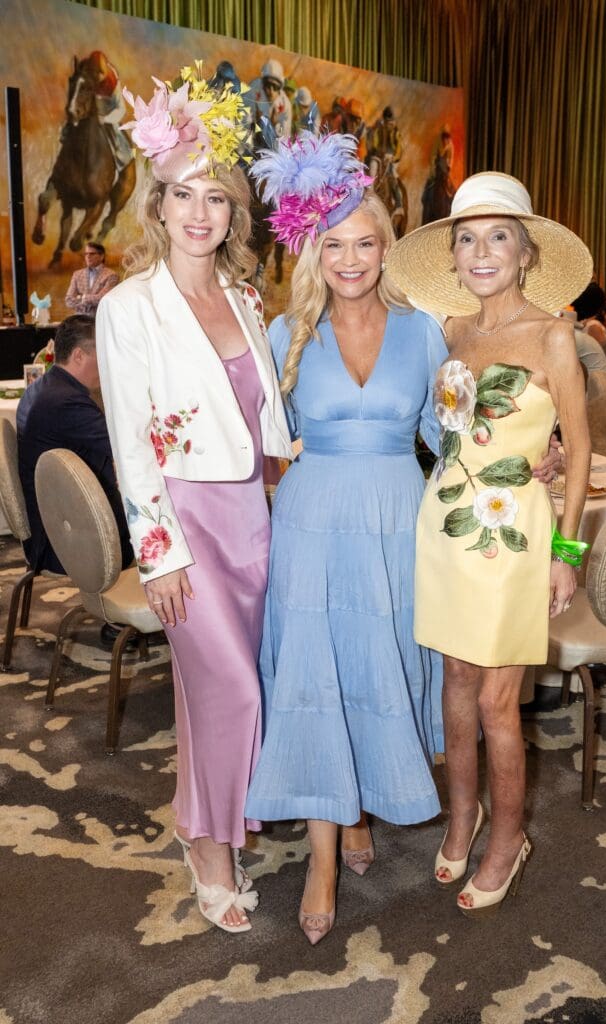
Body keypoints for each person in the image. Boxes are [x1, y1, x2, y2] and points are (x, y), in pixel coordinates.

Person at [245, 139, 560, 943]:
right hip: (311, 527)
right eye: (333, 245)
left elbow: (447, 432)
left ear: (387, 250)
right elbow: (260, 441)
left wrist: (535, 452)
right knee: (317, 675)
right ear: (314, 253)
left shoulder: (424, 332)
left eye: (364, 243)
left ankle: (357, 812)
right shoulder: (283, 332)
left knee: (375, 664)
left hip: (398, 523)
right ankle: (324, 854)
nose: (350, 260)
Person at [96, 66, 292, 935]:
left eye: (215, 197)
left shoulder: (245, 298)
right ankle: (208, 846)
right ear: (158, 205)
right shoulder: (128, 308)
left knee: (225, 689)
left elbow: (264, 419)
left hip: (254, 518)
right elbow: (130, 440)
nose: (199, 212)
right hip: (185, 523)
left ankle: (208, 814)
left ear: (232, 213)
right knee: (231, 692)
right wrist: (159, 554)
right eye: (182, 194)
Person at [387, 172, 592, 916]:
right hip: (444, 528)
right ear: (452, 256)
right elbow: (441, 431)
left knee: (500, 703)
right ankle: (462, 816)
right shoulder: (448, 331)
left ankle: (508, 838)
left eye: (498, 236)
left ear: (525, 253)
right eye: (467, 238)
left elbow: (581, 446)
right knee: (453, 685)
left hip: (511, 535)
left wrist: (566, 555)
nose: (481, 252)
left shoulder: (553, 335)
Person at [17, 314, 132, 577]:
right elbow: (125, 447)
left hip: (52, 524)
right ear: (79, 355)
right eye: (101, 356)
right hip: (70, 537)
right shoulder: (66, 402)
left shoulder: (42, 388)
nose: (106, 364)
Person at [64, 243, 119, 316]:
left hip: (99, 318)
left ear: (102, 256)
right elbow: (68, 300)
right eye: (86, 254)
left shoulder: (111, 275)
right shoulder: (77, 274)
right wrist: (92, 299)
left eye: (92, 254)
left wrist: (81, 297)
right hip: (79, 319)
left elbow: (102, 299)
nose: (88, 256)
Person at [247, 59, 292, 138]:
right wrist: (255, 122)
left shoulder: (285, 105)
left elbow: (285, 138)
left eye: (275, 86)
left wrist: (275, 124)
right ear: (263, 84)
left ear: (280, 87)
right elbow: (244, 120)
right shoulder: (254, 89)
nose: (271, 91)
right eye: (268, 85)